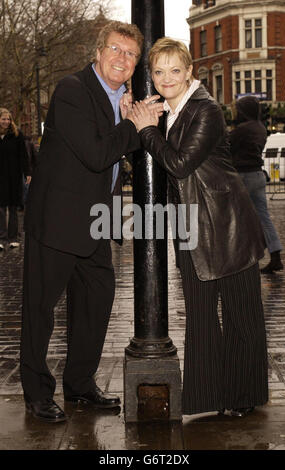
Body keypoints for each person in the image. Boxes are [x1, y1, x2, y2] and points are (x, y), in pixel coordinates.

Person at [20, 20, 161, 423]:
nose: (123, 58)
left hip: (97, 224)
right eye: (116, 49)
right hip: (58, 223)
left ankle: (80, 385)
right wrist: (133, 123)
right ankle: (37, 392)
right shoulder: (72, 91)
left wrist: (133, 121)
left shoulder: (123, 100)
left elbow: (128, 157)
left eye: (131, 54)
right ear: (97, 53)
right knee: (40, 312)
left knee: (95, 306)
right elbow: (97, 154)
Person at [128, 37, 269, 417]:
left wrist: (146, 130)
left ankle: (243, 395)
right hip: (191, 226)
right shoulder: (168, 111)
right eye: (159, 71)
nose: (166, 77)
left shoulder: (205, 109)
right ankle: (207, 398)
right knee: (201, 317)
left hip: (229, 224)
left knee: (241, 315)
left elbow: (179, 164)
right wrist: (137, 121)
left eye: (175, 70)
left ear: (189, 71)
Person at [229, 96, 283, 274]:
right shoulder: (260, 127)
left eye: (238, 109)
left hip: (242, 176)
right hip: (257, 175)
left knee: (236, 218)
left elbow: (225, 145)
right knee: (263, 217)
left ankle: (242, 259)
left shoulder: (242, 129)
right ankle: (275, 255)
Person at [0, 108, 31, 250]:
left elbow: (23, 155)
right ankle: (1, 237)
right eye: (3, 119)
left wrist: (28, 172)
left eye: (8, 119)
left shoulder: (17, 134)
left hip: (14, 176)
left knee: (13, 207)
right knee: (1, 208)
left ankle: (13, 237)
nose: (6, 121)